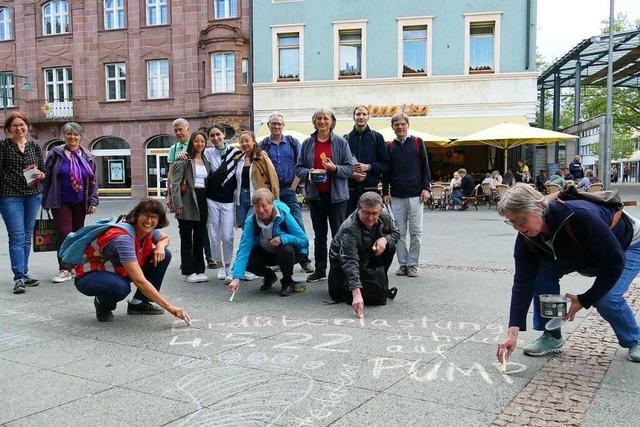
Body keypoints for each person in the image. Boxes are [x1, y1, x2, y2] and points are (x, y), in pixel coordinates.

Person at [496, 184, 640, 363]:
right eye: (511, 222)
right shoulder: (526, 238)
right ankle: (552, 335)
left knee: (607, 299)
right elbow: (523, 281)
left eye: (521, 220)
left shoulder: (579, 216)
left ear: (539, 208)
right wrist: (512, 332)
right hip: (578, 251)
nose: (518, 227)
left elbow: (614, 262)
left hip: (628, 245)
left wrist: (585, 299)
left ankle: (635, 339)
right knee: (543, 275)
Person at [73, 199, 191, 324]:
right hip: (88, 275)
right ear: (137, 215)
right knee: (120, 287)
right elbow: (139, 280)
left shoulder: (147, 230)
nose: (149, 221)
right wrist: (171, 308)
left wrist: (160, 247)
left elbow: (164, 238)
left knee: (164, 255)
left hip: (116, 270)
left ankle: (139, 303)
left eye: (154, 217)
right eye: (146, 215)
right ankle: (103, 304)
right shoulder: (124, 238)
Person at [295, 108, 355, 282]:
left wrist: (334, 168)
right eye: (318, 118)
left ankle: (338, 270)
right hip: (316, 197)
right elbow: (298, 167)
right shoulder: (307, 143)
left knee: (338, 234)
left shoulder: (341, 143)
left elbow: (350, 168)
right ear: (314, 122)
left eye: (325, 118)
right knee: (319, 235)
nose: (322, 121)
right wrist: (309, 173)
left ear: (332, 121)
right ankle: (320, 270)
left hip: (337, 198)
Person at [42, 122, 99, 283]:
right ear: (64, 136)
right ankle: (65, 269)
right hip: (60, 201)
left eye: (75, 134)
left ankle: (74, 267)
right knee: (65, 234)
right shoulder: (55, 153)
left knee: (77, 235)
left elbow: (94, 181)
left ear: (81, 137)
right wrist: (44, 199)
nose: (72, 137)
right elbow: (46, 177)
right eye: (69, 134)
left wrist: (93, 201)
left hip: (80, 202)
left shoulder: (88, 156)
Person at [328, 192, 400, 317]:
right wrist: (356, 293)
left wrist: (385, 239)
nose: (371, 218)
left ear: (380, 210)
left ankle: (378, 277)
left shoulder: (384, 216)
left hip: (368, 253)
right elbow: (349, 260)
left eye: (374, 214)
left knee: (390, 247)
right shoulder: (349, 228)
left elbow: (396, 233)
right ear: (358, 209)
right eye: (366, 213)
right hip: (340, 261)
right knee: (337, 294)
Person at [228, 188, 309, 297]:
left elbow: (303, 240)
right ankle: (269, 276)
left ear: (272, 204)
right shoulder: (251, 221)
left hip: (287, 254)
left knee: (286, 249)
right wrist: (236, 278)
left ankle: (287, 281)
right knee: (248, 258)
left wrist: (283, 238)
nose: (260, 210)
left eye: (264, 205)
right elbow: (244, 250)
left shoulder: (284, 215)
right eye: (257, 206)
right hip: (265, 252)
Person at [259, 112, 313, 273]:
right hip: (271, 192)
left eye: (279, 124)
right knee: (276, 226)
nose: (276, 126)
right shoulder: (263, 145)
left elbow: (301, 164)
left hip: (289, 189)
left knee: (297, 224)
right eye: (273, 123)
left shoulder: (292, 142)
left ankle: (304, 259)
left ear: (283, 126)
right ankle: (279, 259)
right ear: (268, 125)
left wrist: (293, 186)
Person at [0, 112, 46, 294]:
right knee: (17, 236)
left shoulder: (34, 146)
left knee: (27, 236)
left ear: (27, 126)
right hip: (10, 196)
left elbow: (42, 170)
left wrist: (42, 175)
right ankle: (18, 276)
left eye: (22, 125)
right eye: (15, 126)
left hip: (33, 195)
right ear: (9, 129)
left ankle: (24, 274)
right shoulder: (3, 146)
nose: (19, 128)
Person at [382, 113, 431, 278]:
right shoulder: (389, 147)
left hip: (416, 195)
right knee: (399, 233)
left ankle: (412, 265)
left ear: (407, 125)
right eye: (396, 125)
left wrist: (426, 188)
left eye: (402, 124)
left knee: (416, 232)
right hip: (396, 196)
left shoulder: (417, 142)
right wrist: (385, 192)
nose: (400, 127)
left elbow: (425, 166)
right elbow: (386, 172)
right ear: (393, 127)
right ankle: (403, 264)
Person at [171, 131, 213, 283]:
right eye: (196, 141)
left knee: (200, 237)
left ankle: (200, 270)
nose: (200, 144)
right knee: (187, 237)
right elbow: (174, 184)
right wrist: (177, 204)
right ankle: (189, 271)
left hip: (202, 199)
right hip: (187, 200)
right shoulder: (184, 160)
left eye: (202, 141)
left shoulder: (206, 160)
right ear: (191, 143)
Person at [202, 124, 242, 281]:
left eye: (218, 134)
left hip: (228, 201)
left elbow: (251, 154)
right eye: (212, 135)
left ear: (224, 134)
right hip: (211, 198)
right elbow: (193, 159)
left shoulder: (236, 153)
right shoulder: (207, 153)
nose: (215, 138)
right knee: (213, 235)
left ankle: (228, 265)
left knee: (227, 236)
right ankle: (220, 266)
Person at [344, 105, 390, 215]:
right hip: (350, 192)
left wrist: (368, 167)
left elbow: (386, 165)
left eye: (364, 114)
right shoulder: (346, 139)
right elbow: (340, 166)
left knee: (371, 225)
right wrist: (352, 174)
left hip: (371, 191)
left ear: (368, 117)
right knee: (350, 226)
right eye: (358, 114)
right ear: (353, 117)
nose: (361, 117)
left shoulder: (377, 137)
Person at [235, 130, 280, 228]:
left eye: (247, 141)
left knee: (250, 226)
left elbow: (273, 178)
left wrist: (275, 200)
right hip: (241, 197)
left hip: (257, 196)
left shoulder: (261, 157)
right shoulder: (238, 159)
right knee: (244, 227)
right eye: (241, 142)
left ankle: (252, 244)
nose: (244, 144)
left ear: (253, 141)